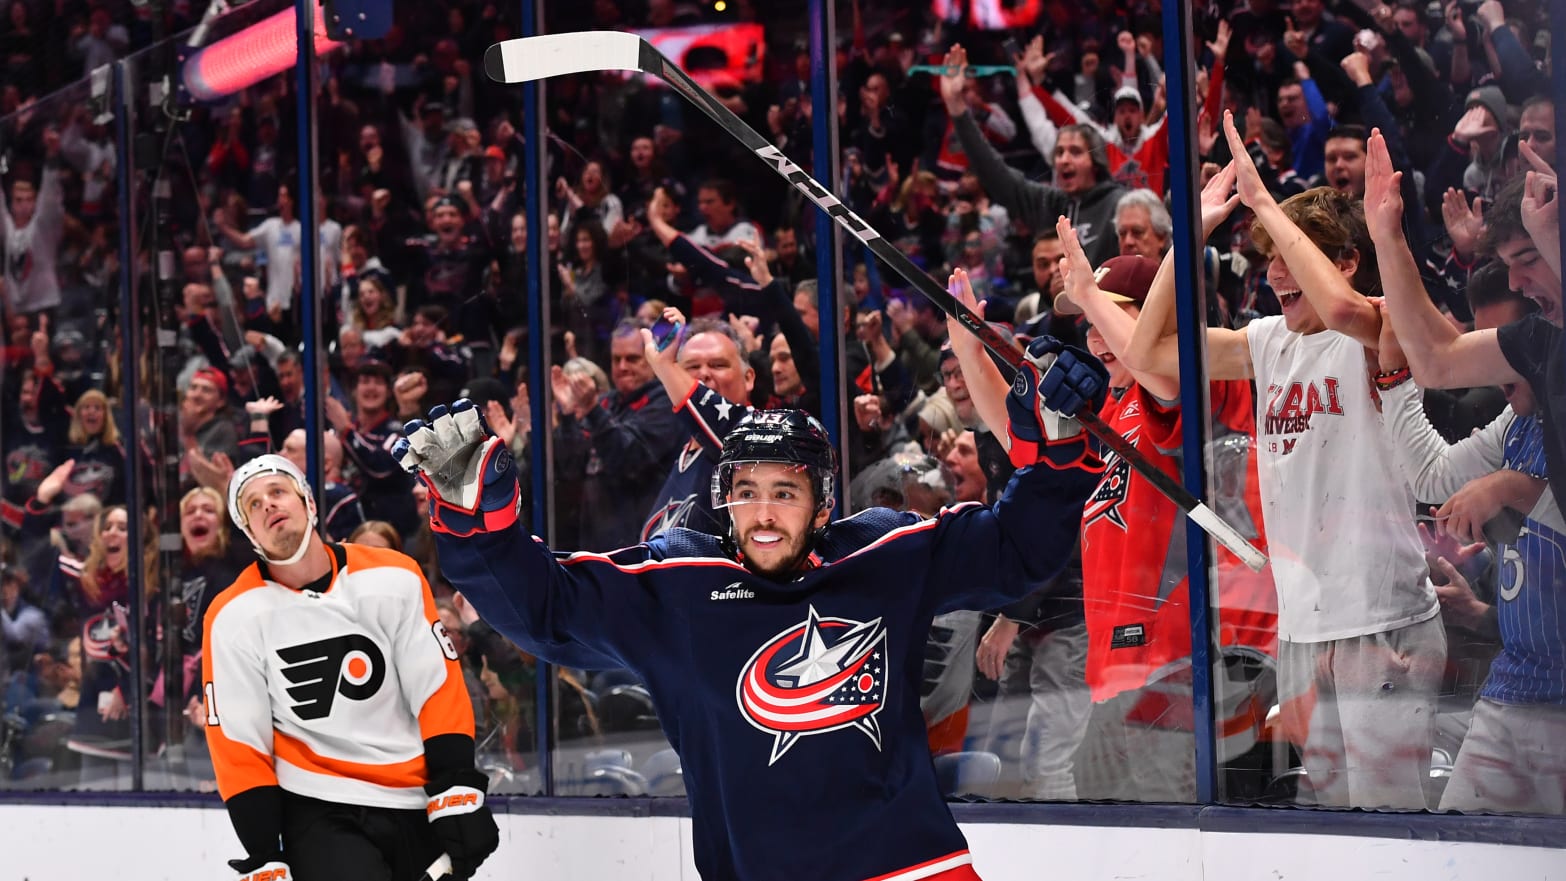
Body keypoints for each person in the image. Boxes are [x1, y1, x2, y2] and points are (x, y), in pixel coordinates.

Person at [394, 320, 1110, 881]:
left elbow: (1015, 550)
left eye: (785, 492)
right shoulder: (677, 586)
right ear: (724, 499)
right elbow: (547, 609)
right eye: (747, 492)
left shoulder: (886, 553)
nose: (763, 513)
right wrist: (476, 535)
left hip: (910, 866)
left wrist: (1057, 451)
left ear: (823, 504)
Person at [1121, 113, 1445, 810]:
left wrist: (1267, 200)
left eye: (1285, 255)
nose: (1273, 274)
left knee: (1393, 840)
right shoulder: (1270, 342)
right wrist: (1191, 235)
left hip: (1380, 618)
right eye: (1265, 258)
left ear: (1346, 259)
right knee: (1326, 833)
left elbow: (1340, 304)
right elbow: (1146, 356)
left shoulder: (1380, 323)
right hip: (1305, 628)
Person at [202, 455, 498, 881]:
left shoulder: (394, 576)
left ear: (309, 503)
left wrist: (456, 785)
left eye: (278, 491)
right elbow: (238, 741)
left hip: (413, 797)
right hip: (318, 806)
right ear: (249, 532)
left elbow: (435, 687)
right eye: (252, 504)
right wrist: (263, 850)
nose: (267, 504)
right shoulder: (232, 615)